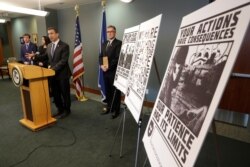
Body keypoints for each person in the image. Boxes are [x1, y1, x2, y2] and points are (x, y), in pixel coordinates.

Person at [47, 27, 72, 119]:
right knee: (56, 94)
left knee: (65, 93)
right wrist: (35, 57)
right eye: (49, 33)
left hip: (63, 74)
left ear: (57, 34)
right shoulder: (49, 46)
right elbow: (46, 58)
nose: (50, 35)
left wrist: (52, 69)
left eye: (52, 33)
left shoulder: (64, 46)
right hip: (52, 75)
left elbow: (63, 61)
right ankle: (60, 109)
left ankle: (67, 110)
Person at [99, 25, 122, 119]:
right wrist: (101, 65)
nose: (109, 33)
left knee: (115, 92)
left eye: (111, 31)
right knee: (108, 90)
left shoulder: (119, 43)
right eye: (108, 32)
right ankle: (109, 106)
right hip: (105, 72)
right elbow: (100, 56)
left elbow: (117, 58)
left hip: (114, 72)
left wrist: (108, 67)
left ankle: (116, 110)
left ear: (115, 32)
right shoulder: (104, 43)